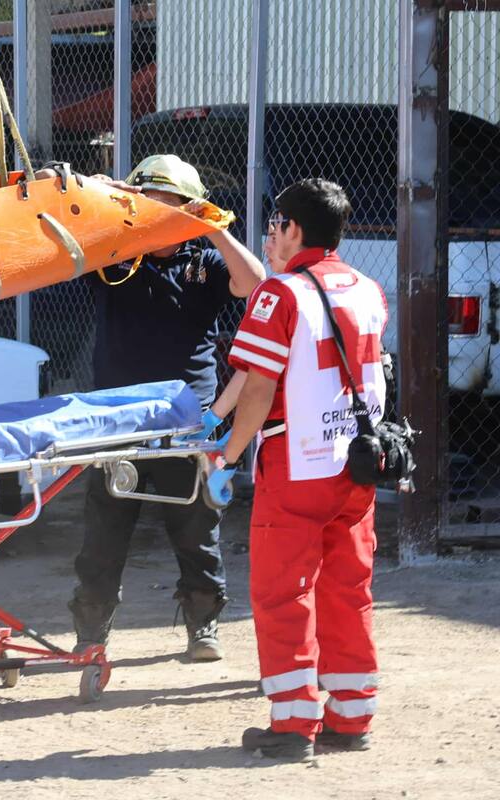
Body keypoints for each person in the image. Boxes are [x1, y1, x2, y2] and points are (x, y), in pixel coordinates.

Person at [70, 154, 266, 662]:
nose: (161, 217)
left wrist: (213, 227)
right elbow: (68, 235)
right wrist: (106, 198)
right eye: (150, 206)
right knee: (105, 531)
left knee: (197, 528)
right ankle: (91, 634)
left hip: (188, 421)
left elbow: (254, 281)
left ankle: (203, 625)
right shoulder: (114, 258)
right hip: (119, 420)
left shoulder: (204, 262)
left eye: (172, 207)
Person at [216, 179, 386, 761]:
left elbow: (259, 388)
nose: (268, 237)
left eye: (273, 225)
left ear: (293, 228)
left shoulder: (279, 294)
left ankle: (293, 724)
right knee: (348, 590)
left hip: (297, 466)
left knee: (283, 593)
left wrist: (229, 454)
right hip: (357, 464)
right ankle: (352, 716)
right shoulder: (367, 289)